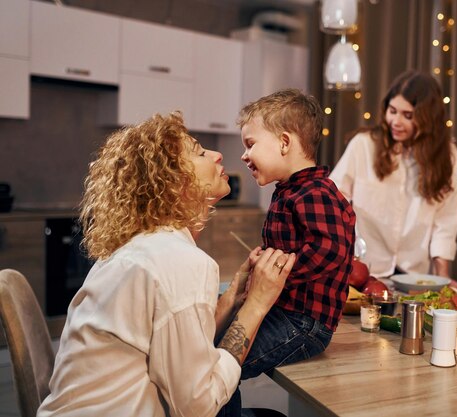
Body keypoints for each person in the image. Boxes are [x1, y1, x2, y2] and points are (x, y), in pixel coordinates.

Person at [37, 112, 296, 417]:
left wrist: (232, 297)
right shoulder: (180, 261)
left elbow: (172, 344)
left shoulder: (143, 246)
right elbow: (198, 407)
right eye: (199, 152)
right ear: (174, 182)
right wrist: (257, 304)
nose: (217, 155)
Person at [218, 89, 356, 416]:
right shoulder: (290, 191)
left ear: (284, 142)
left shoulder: (315, 193)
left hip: (305, 324)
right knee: (214, 355)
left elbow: (330, 249)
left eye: (250, 144)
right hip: (285, 313)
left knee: (223, 368)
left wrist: (277, 277)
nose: (243, 155)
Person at [330, 71, 457, 285]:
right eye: (392, 111)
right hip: (363, 270)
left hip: (412, 277)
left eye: (408, 115)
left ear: (428, 119)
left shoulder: (449, 158)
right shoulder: (363, 145)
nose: (396, 122)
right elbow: (334, 199)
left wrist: (442, 276)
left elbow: (445, 222)